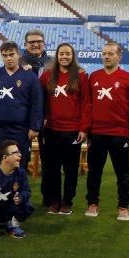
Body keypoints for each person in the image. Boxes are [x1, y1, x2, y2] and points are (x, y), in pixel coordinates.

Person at [85, 42, 129, 221]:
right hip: (96, 133)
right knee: (94, 172)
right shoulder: (93, 77)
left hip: (120, 133)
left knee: (122, 172)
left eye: (110, 53)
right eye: (104, 53)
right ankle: (92, 203)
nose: (106, 56)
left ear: (119, 57)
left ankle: (123, 206)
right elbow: (87, 106)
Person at [39, 43, 90, 214]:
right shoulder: (47, 76)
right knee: (52, 168)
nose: (65, 57)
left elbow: (86, 104)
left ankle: (67, 201)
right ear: (57, 56)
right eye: (61, 54)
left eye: (68, 54)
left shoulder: (81, 76)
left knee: (70, 168)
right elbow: (37, 97)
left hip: (73, 130)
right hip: (51, 130)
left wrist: (84, 128)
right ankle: (54, 201)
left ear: (73, 56)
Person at [0, 41, 43, 171]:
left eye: (12, 54)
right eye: (5, 55)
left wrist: (34, 126)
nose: (9, 58)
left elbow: (36, 103)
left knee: (19, 163)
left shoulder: (30, 77)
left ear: (19, 54)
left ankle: (19, 190)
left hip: (20, 129)